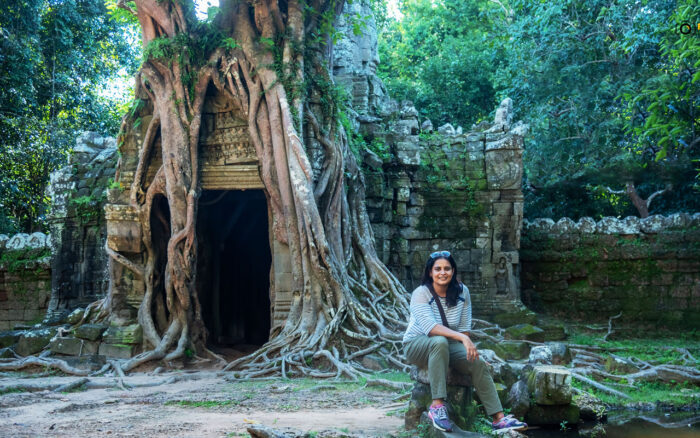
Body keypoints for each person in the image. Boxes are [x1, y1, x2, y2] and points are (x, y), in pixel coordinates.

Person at [403, 250, 527, 433]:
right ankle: (437, 407)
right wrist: (463, 338)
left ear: (453, 271)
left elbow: (464, 328)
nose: (442, 272)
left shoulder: (463, 292)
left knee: (476, 361)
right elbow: (431, 328)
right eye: (437, 269)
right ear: (430, 272)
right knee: (439, 341)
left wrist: (468, 352)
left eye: (447, 268)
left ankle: (498, 419)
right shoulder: (420, 293)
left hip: (446, 344)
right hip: (417, 344)